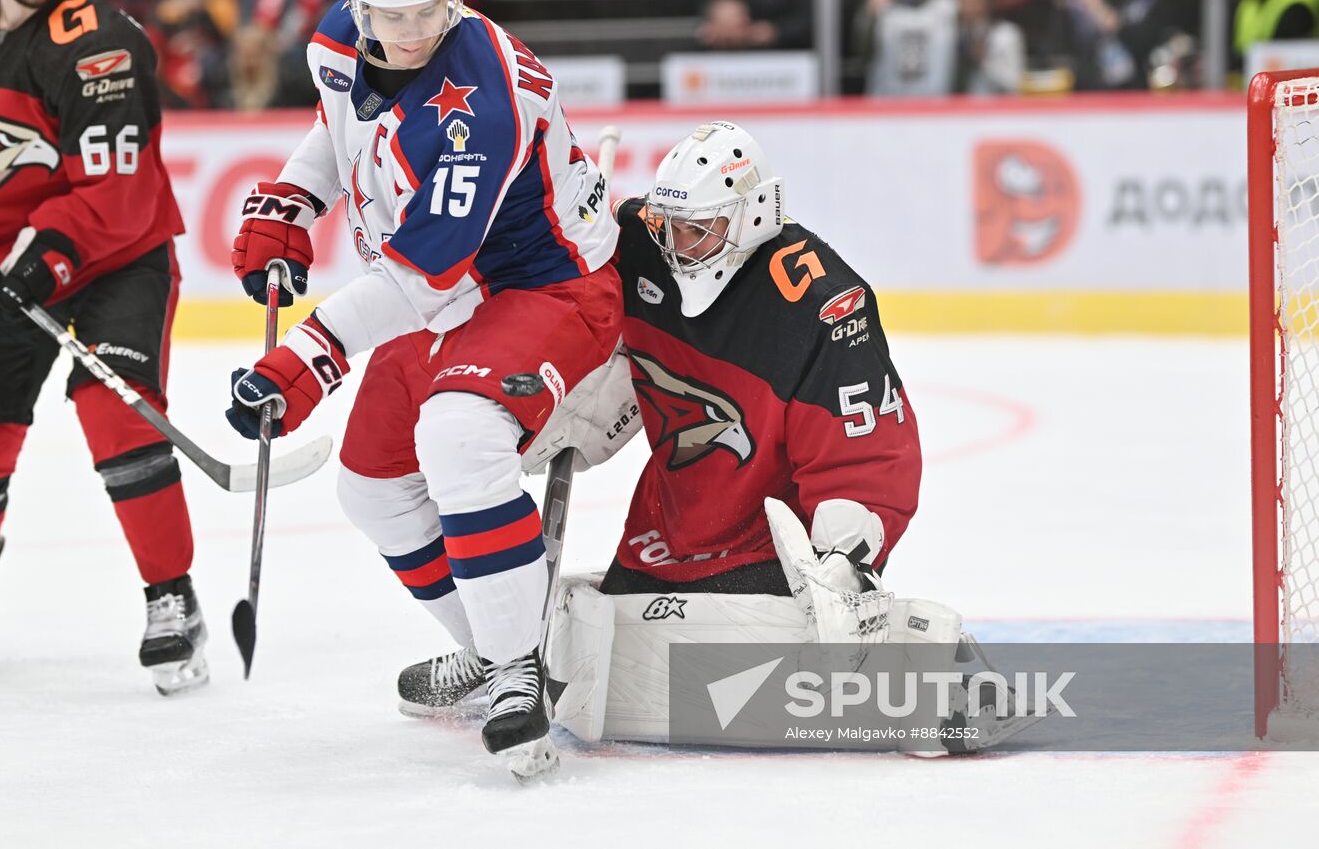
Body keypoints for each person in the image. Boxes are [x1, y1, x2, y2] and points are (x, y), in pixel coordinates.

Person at [401, 123, 1045, 752]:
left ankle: (936, 683)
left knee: (709, 649)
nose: (677, 247)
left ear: (753, 215)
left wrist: (846, 561)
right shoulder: (638, 243)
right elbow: (557, 267)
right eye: (668, 226)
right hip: (669, 528)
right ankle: (505, 657)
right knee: (601, 623)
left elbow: (870, 451)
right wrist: (552, 382)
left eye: (697, 230)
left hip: (771, 548)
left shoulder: (821, 303)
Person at [223, 0, 620, 780]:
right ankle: (489, 641)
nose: (409, 33)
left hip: (547, 285)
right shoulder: (342, 38)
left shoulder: (481, 103)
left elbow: (422, 277)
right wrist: (294, 200)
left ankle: (522, 671)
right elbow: (337, 134)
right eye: (390, 15)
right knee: (369, 484)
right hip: (447, 292)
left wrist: (309, 357)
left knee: (456, 435)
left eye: (428, 11)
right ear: (358, 4)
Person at [0, 0, 207, 695]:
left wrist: (40, 262)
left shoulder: (100, 46)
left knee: (116, 412)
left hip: (117, 258)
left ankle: (171, 597)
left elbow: (114, 196)